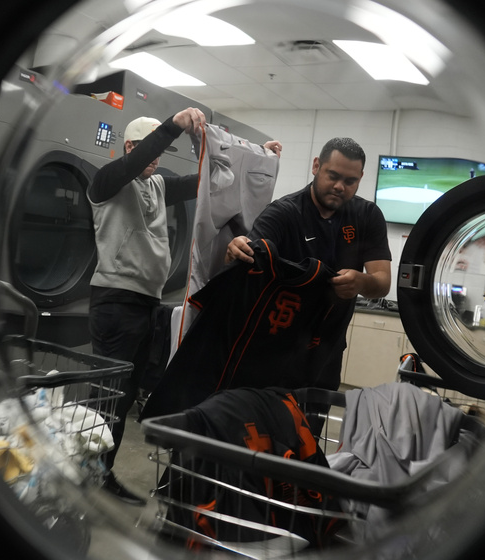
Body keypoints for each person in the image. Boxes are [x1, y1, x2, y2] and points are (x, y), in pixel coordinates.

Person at [88, 107, 280, 504]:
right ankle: (88, 474)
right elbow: (136, 163)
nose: (154, 160)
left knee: (122, 397)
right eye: (146, 151)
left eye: (155, 154)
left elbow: (209, 183)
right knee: (107, 394)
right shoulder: (107, 183)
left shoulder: (158, 185)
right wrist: (172, 127)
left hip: (147, 303)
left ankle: (100, 473)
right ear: (129, 148)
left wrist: (257, 157)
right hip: (115, 301)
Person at [225, 136, 392, 391]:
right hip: (274, 349)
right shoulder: (283, 213)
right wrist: (237, 250)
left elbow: (382, 283)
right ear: (316, 166)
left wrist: (362, 281)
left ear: (360, 178)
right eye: (332, 175)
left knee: (308, 428)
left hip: (328, 349)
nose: (339, 186)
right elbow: (249, 256)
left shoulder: (367, 216)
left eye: (350, 181)